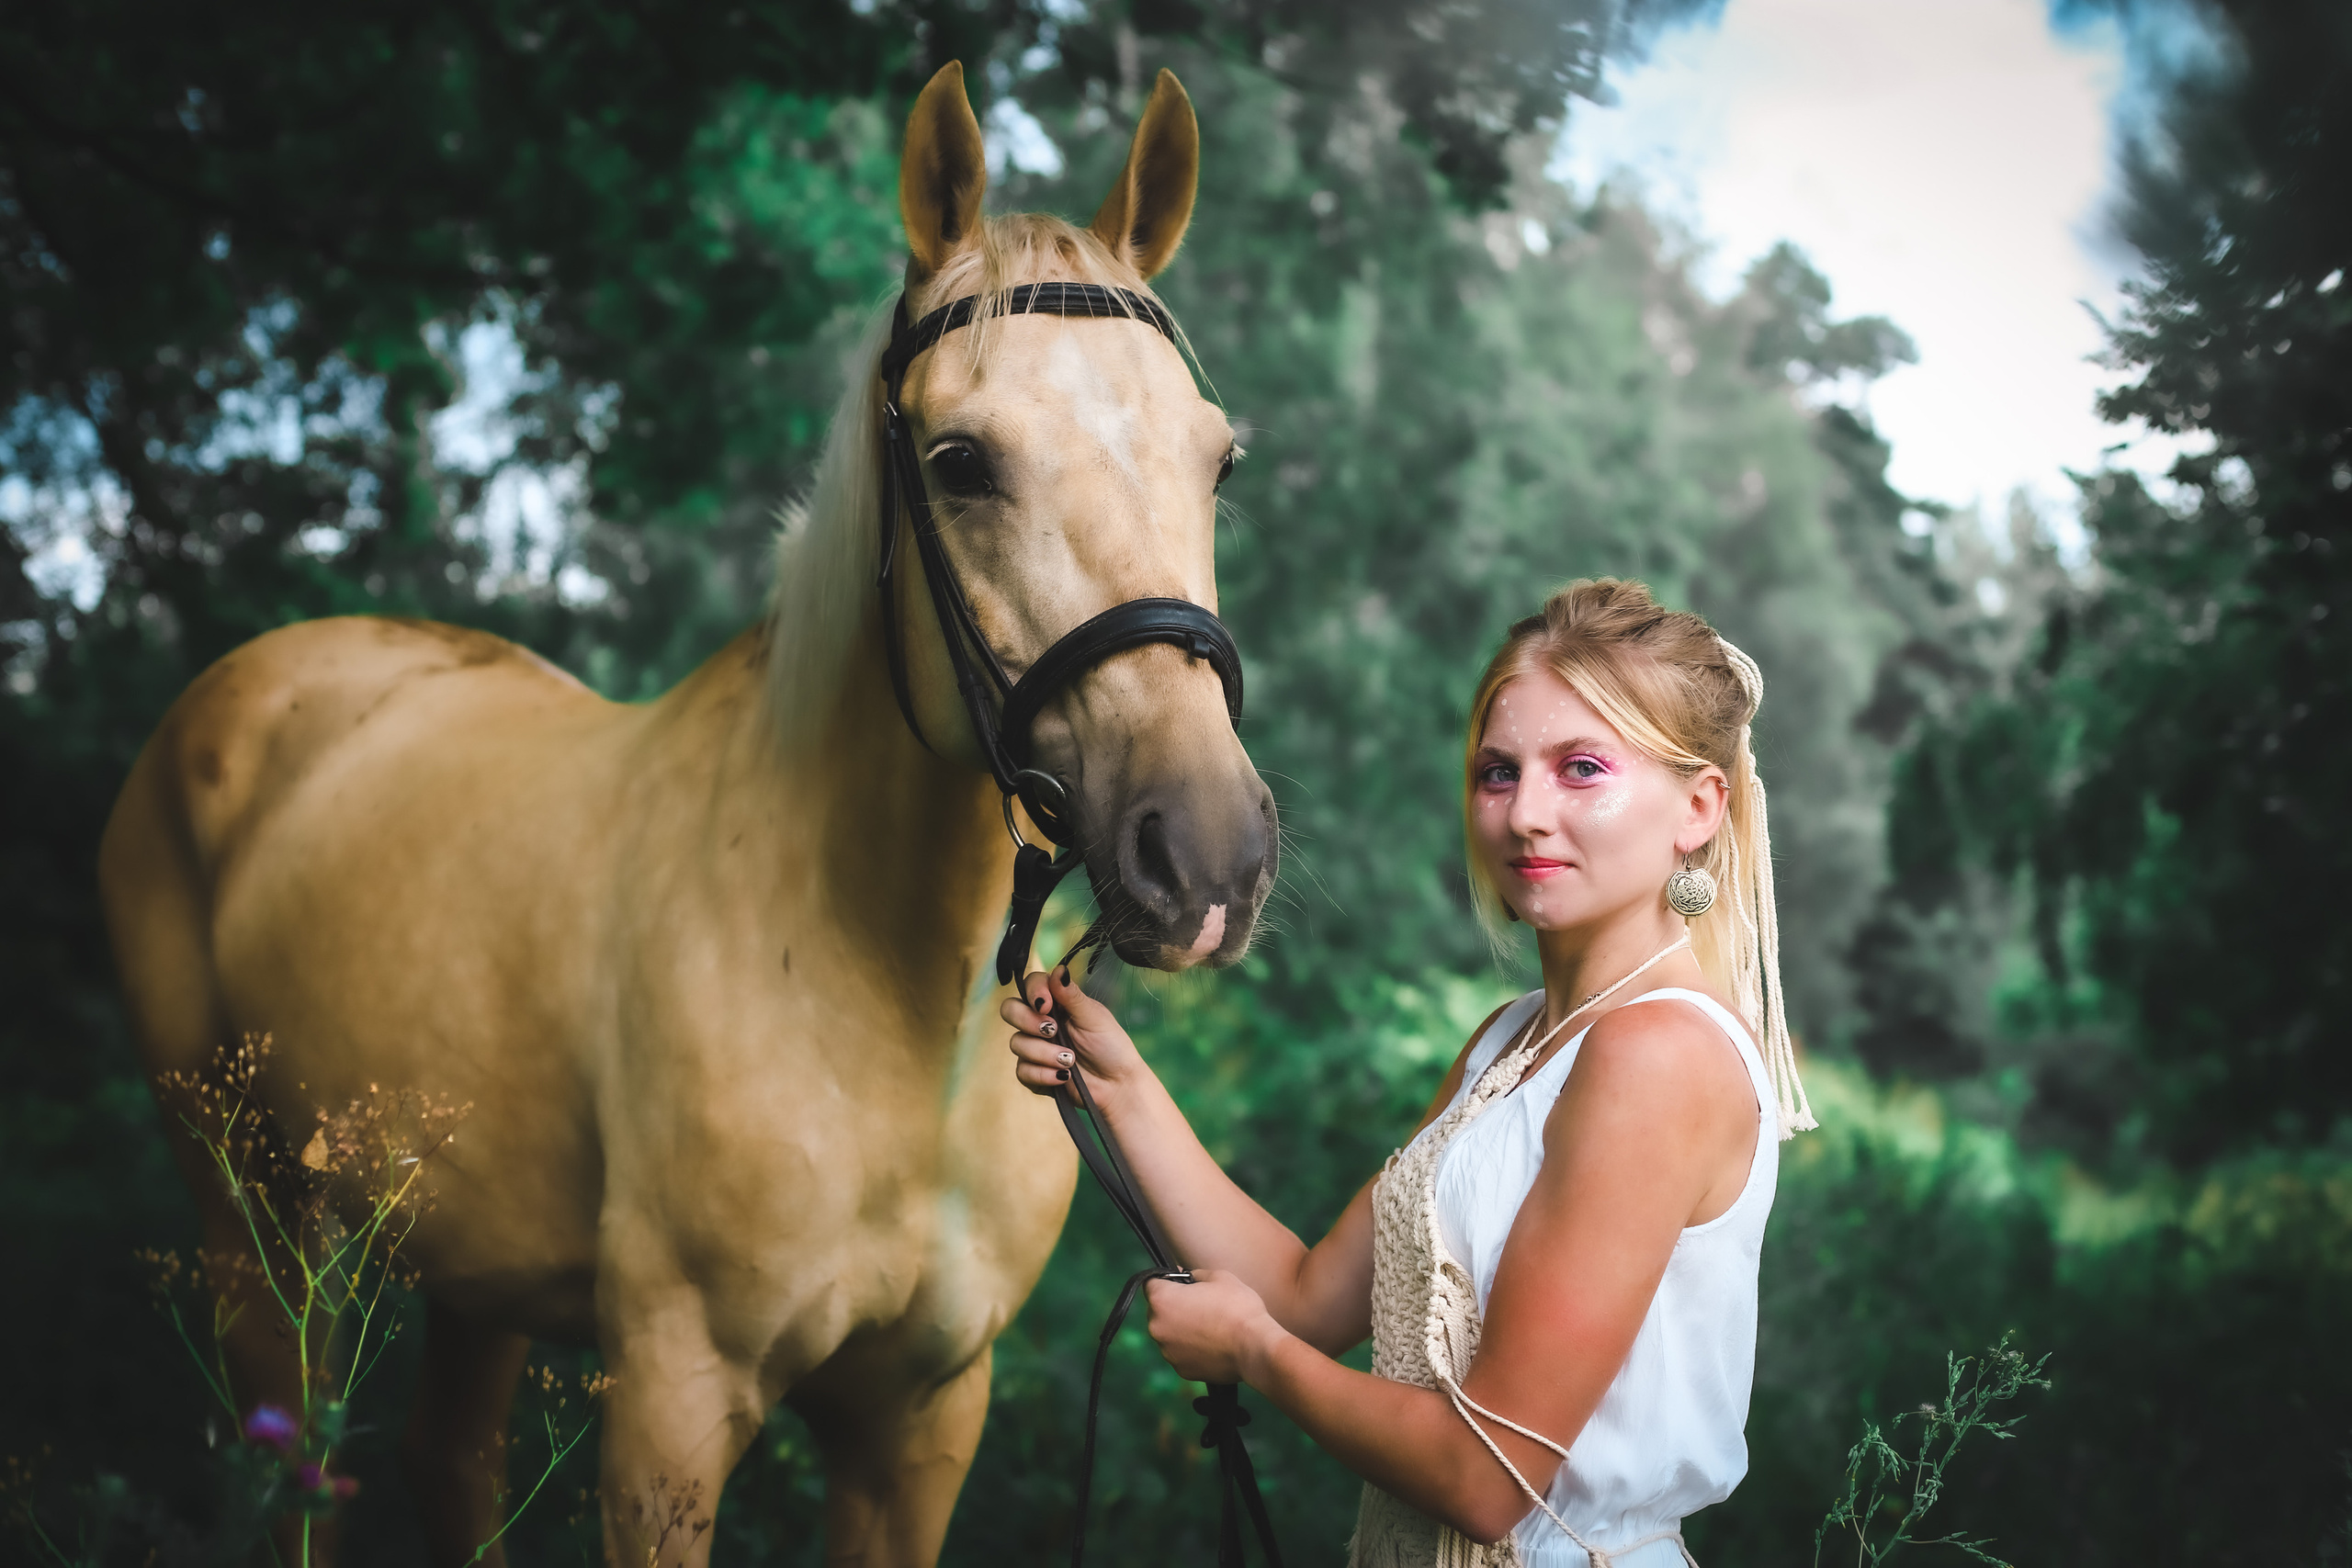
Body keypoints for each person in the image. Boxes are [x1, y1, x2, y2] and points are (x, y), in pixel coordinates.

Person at [1003, 578, 1815, 1568]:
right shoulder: (1510, 1038)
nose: (1526, 814)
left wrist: (1255, 1354)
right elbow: (1303, 1294)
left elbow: (1487, 1479)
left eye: (1582, 768)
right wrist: (1119, 1086)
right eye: (1498, 772)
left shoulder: (1658, 1054)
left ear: (1698, 807)